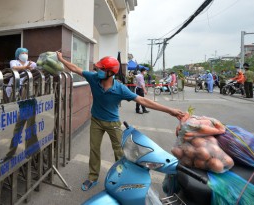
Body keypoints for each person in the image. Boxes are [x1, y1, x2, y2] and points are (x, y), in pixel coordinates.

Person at [56, 51, 185, 191]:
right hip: (96, 120)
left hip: (113, 123)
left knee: (119, 152)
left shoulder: (120, 89)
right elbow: (75, 68)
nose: (97, 70)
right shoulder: (93, 78)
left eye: (101, 69)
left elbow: (142, 100)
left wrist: (169, 110)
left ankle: (122, 178)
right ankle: (92, 177)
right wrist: (61, 59)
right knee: (94, 149)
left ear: (110, 73)